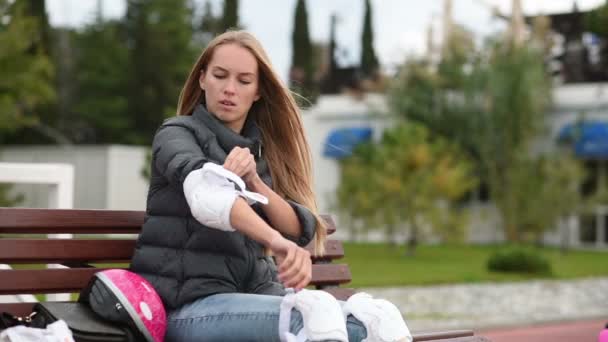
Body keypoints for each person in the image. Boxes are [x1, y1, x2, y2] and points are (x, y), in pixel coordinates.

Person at [130, 30, 411, 342]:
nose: (229, 89)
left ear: (259, 91)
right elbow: (208, 196)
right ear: (201, 79)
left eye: (243, 81)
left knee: (379, 322)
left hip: (253, 298)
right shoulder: (177, 135)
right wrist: (276, 243)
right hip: (185, 309)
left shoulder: (259, 153)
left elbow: (298, 228)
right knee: (313, 315)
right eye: (220, 76)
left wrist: (253, 183)